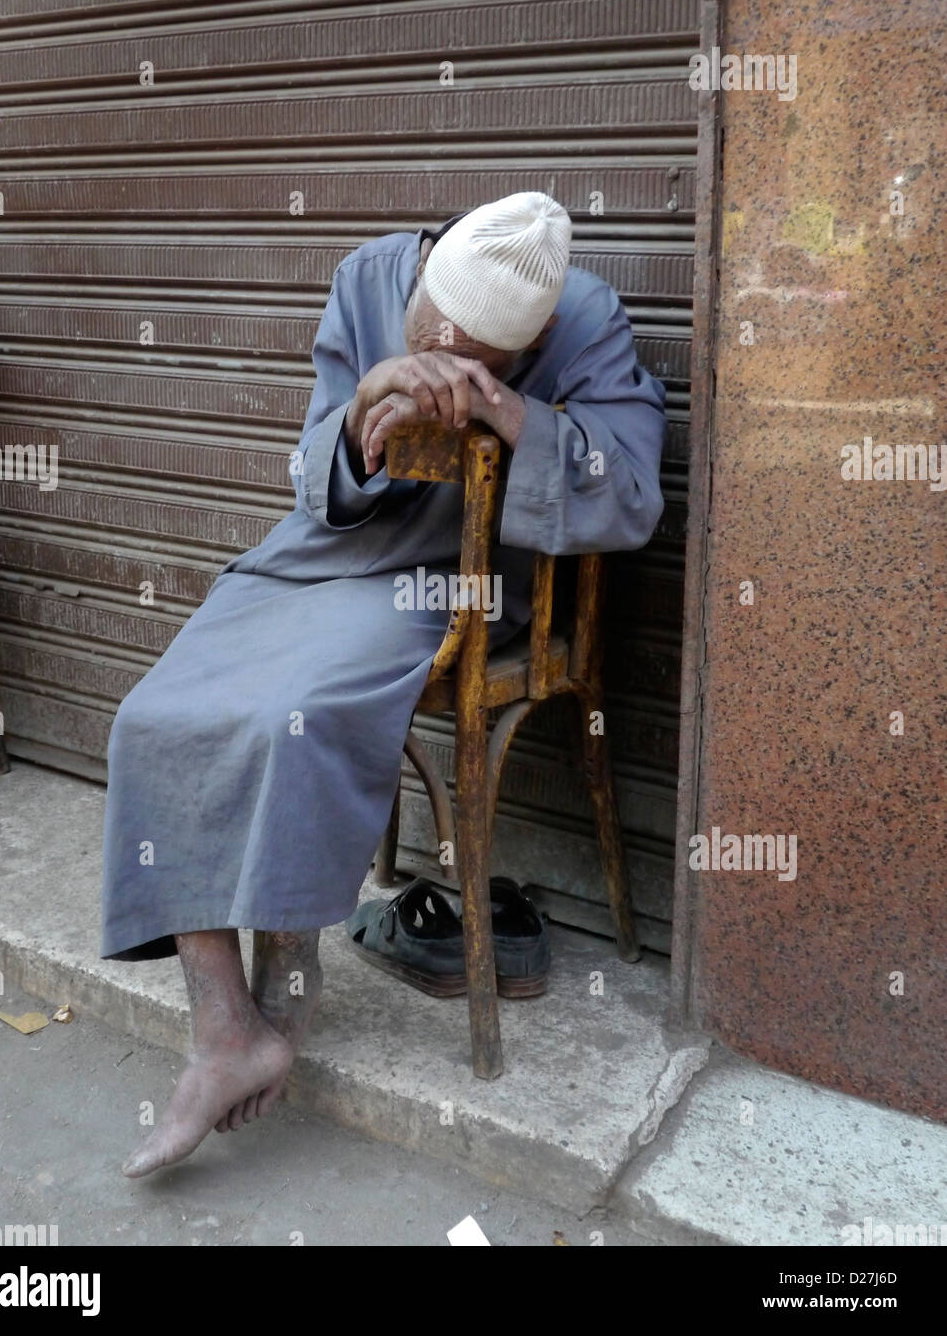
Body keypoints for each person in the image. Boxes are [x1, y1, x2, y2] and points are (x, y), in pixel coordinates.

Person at [100, 192, 667, 1177]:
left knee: (296, 713)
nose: (442, 357)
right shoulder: (369, 275)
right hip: (324, 556)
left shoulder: (581, 319)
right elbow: (313, 457)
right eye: (428, 340)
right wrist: (364, 405)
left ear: (518, 342)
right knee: (157, 710)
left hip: (449, 579)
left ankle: (285, 961)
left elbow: (627, 490)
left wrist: (507, 412)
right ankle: (223, 1024)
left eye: (474, 359)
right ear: (422, 282)